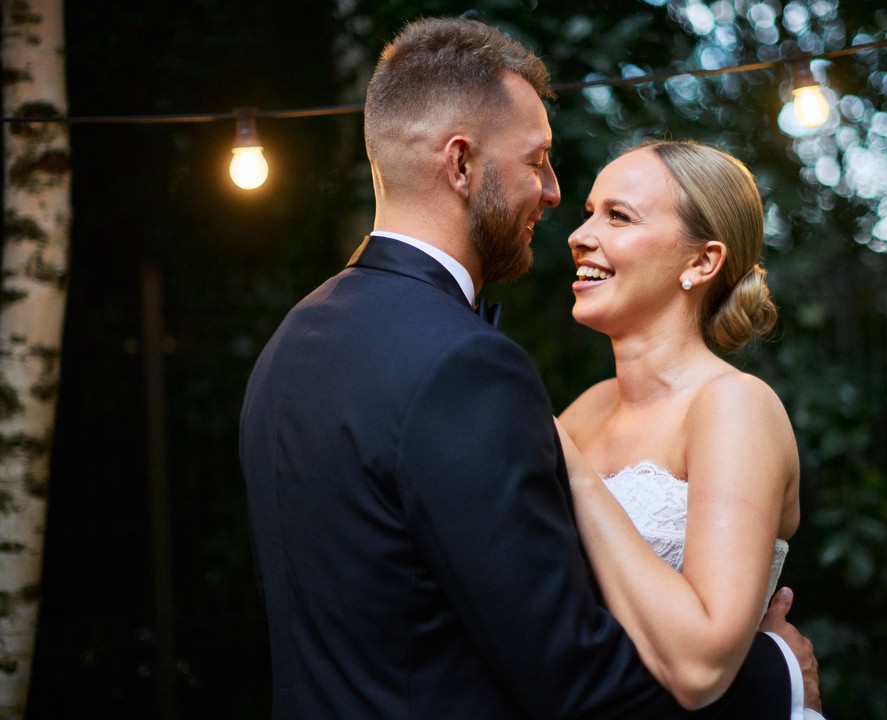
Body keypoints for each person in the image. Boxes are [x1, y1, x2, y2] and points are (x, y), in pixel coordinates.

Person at [239, 16, 819, 719]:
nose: (562, 210)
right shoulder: (482, 373)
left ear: (703, 261)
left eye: (618, 216)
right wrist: (779, 676)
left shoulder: (291, 343)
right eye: (539, 160)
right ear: (460, 164)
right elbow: (556, 660)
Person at [557, 139, 821, 715]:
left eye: (618, 216)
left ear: (702, 262)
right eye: (589, 213)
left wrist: (575, 474)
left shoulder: (734, 406)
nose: (579, 235)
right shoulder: (584, 410)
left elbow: (702, 666)